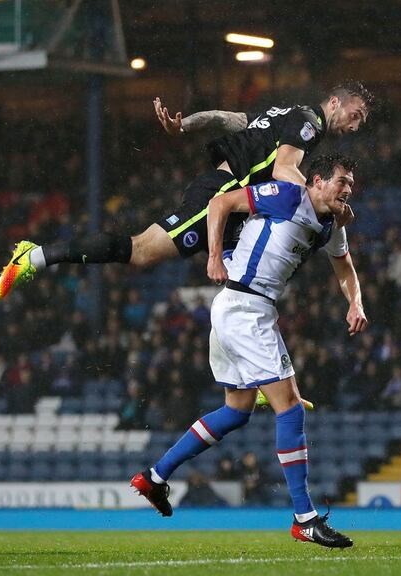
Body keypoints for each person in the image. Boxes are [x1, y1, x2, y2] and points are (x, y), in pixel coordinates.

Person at [129, 153, 367, 549]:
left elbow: (344, 267)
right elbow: (220, 203)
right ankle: (305, 519)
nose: (347, 191)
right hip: (245, 308)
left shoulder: (330, 224)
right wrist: (213, 256)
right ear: (318, 180)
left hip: (240, 308)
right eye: (342, 181)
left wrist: (355, 302)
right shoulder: (288, 196)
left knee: (236, 411)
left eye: (351, 186)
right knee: (288, 407)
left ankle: (154, 477)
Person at [0, 81, 374, 300]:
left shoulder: (290, 113)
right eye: (355, 115)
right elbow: (284, 168)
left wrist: (187, 124)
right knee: (142, 252)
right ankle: (37, 255)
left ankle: (258, 369)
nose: (356, 126)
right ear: (336, 102)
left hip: (240, 206)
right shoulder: (309, 124)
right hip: (224, 192)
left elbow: (236, 120)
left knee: (253, 283)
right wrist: (319, 201)